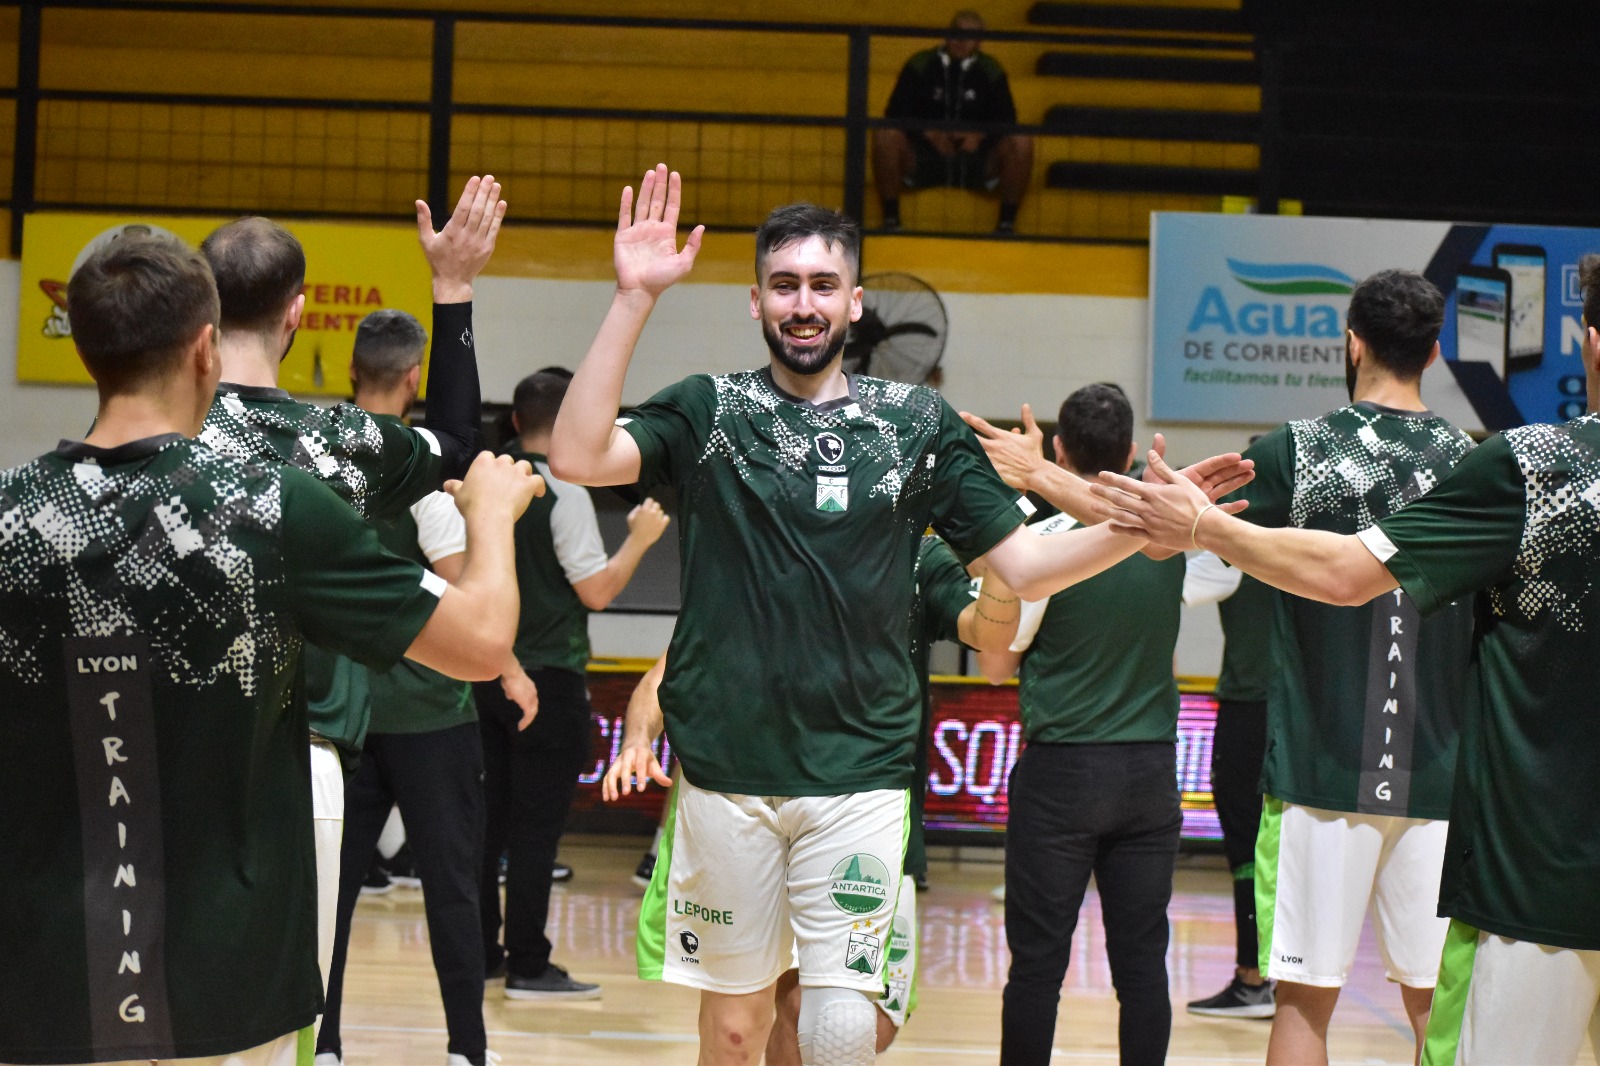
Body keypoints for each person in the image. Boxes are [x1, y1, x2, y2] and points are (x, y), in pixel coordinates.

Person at [546, 163, 1251, 1066]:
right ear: (756, 302)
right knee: (735, 1029)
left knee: (841, 1026)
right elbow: (577, 454)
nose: (804, 304)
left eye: (823, 285)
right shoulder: (708, 410)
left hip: (863, 773)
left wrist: (1145, 525)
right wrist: (632, 297)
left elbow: (1024, 564)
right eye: (785, 285)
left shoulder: (916, 424)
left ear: (855, 303)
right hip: (726, 772)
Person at [0, 232, 538, 1066]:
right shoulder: (273, 505)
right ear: (205, 348)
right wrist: (493, 520)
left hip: (46, 961)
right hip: (231, 945)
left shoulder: (12, 515)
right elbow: (481, 645)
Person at [1094, 270, 1485, 1064]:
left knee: (1304, 1006)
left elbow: (1164, 543)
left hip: (1318, 774)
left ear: (1352, 343)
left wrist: (1154, 501)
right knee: (1436, 1010)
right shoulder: (1472, 465)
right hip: (1440, 778)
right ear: (1434, 353)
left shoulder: (1298, 451)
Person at [195, 175, 508, 993]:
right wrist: (453, 287)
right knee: (278, 1003)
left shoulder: (158, 435)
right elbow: (456, 443)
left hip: (170, 745)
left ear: (201, 313)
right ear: (296, 313)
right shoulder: (330, 444)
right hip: (298, 760)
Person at [604, 538, 1022, 1063]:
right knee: (736, 1031)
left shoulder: (914, 552)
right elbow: (668, 670)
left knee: (849, 1027)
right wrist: (637, 739)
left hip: (860, 812)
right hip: (746, 812)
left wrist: (1002, 537)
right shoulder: (758, 548)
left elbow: (992, 642)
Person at [973, 384, 1188, 1066]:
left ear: (1059, 450)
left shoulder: (1039, 547)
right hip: (1149, 774)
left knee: (1037, 967)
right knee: (1142, 966)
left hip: (1062, 774)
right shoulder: (1170, 546)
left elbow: (994, 668)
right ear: (1130, 452)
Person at [314, 310, 501, 1066]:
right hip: (429, 714)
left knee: (330, 895)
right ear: (417, 378)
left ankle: (323, 1045)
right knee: (452, 890)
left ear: (351, 370)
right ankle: (467, 1050)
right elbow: (460, 590)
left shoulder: (318, 462)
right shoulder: (420, 469)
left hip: (340, 718)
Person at [479, 370, 671, 1001]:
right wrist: (639, 540)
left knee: (486, 826)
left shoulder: (486, 478)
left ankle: (482, 954)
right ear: (566, 423)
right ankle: (529, 964)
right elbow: (596, 590)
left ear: (514, 421)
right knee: (535, 834)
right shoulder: (563, 489)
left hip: (482, 673)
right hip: (549, 679)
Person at [1182, 552, 1279, 1019]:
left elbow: (1167, 581)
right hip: (1312, 711)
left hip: (1252, 709)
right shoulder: (1330, 531)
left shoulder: (1236, 546)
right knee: (1285, 850)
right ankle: (1286, 978)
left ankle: (1254, 977)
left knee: (1248, 847)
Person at [874, 10, 1034, 234]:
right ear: (947, 34)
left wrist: (980, 136)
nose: (961, 40)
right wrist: (928, 133)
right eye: (957, 32)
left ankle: (1006, 226)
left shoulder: (991, 69)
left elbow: (1007, 119)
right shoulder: (920, 63)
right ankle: (891, 221)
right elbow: (895, 112)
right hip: (924, 155)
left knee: (1021, 140)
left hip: (976, 160)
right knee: (885, 134)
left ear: (979, 42)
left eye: (970, 36)